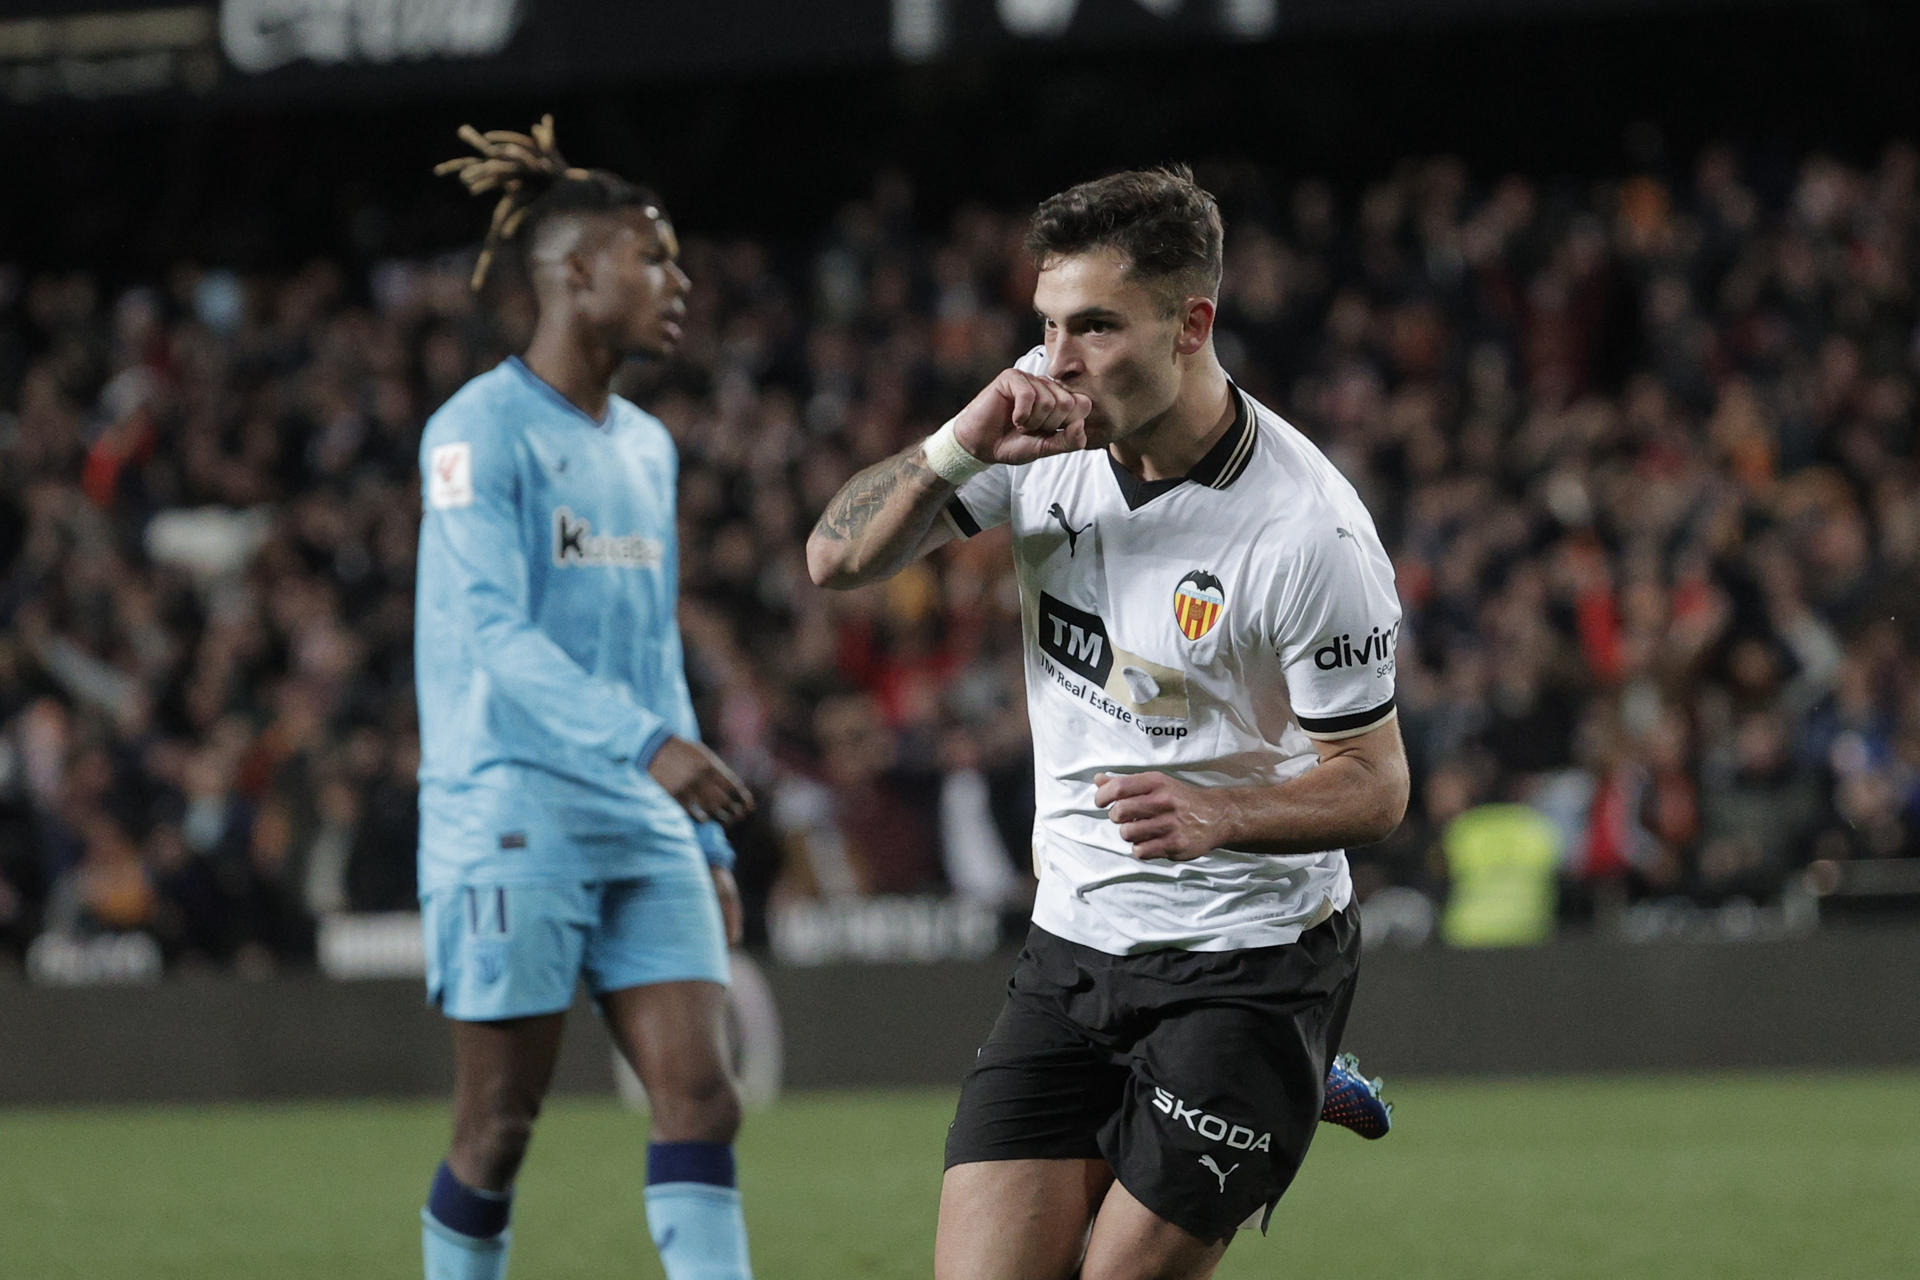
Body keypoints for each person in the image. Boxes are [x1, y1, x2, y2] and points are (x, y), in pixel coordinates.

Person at [807, 166, 1409, 1280]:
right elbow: (834, 559)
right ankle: (1280, 1085)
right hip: (1075, 947)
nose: (1058, 358)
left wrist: (1221, 812)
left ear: (1193, 324)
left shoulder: (1304, 533)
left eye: (1093, 326)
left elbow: (1375, 784)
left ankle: (1282, 1064)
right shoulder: (1041, 440)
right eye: (1045, 325)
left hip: (1248, 960)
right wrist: (962, 444)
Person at [415, 117, 755, 1280]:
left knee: (703, 1100)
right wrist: (650, 745)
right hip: (512, 807)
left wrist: (704, 830)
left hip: (644, 814)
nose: (681, 281)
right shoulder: (474, 430)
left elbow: (650, 644)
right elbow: (491, 633)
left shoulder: (648, 446)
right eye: (652, 257)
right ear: (573, 274)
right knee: (499, 1128)